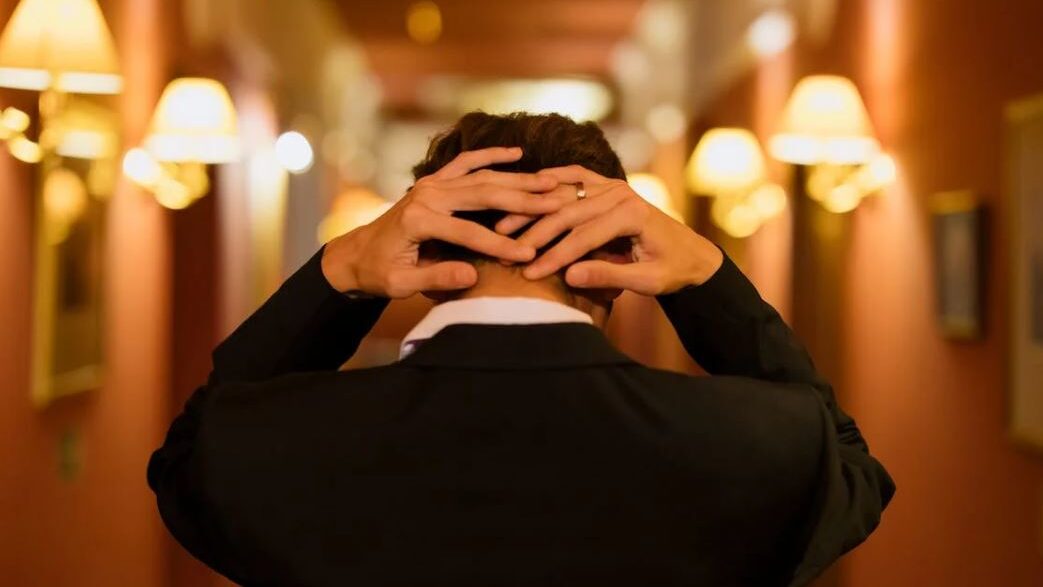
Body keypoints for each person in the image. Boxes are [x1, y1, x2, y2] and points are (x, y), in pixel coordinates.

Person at [148, 112, 894, 586]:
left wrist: (339, 273)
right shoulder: (755, 442)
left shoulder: (271, 444)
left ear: (422, 261)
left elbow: (188, 454)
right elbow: (848, 459)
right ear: (619, 267)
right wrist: (705, 278)